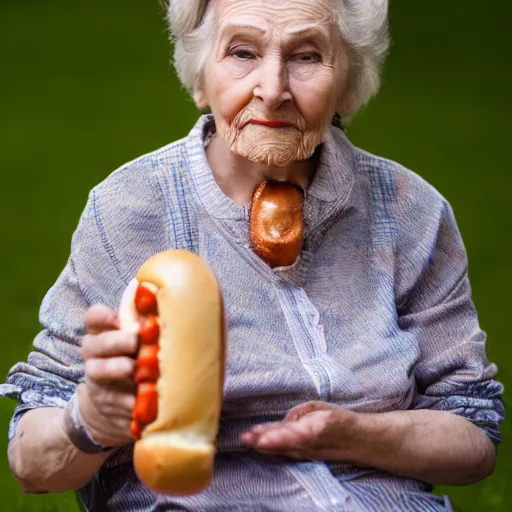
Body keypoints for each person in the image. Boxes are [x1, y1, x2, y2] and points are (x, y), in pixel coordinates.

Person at [1, 0, 504, 510]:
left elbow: (473, 436)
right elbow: (30, 461)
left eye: (306, 56)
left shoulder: (410, 210)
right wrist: (90, 420)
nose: (272, 89)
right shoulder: (129, 209)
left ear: (347, 81)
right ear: (200, 74)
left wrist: (356, 436)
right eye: (242, 52)